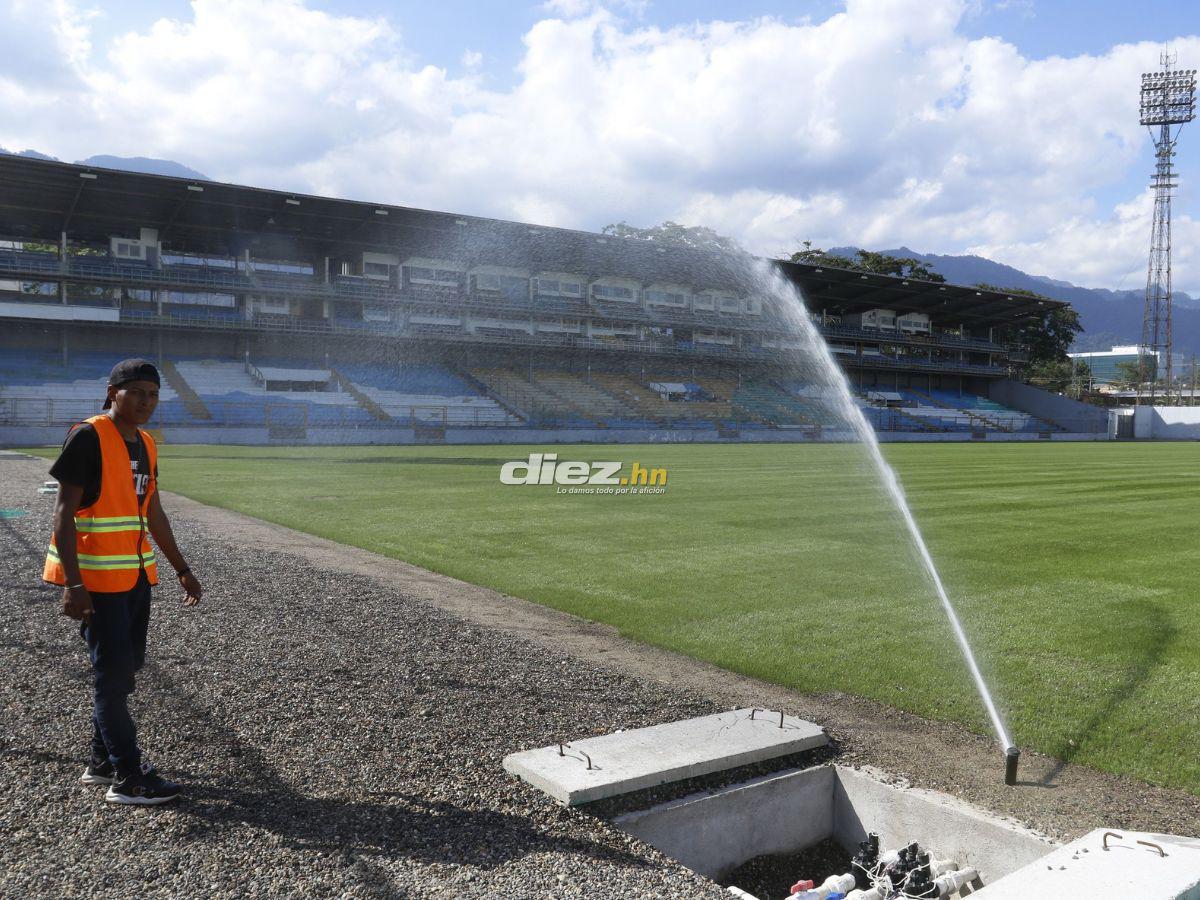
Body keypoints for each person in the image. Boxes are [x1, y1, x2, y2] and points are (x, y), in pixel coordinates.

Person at [43, 358, 203, 806]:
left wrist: (182, 568)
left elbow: (152, 512)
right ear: (114, 392)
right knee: (112, 678)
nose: (146, 402)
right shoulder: (89, 436)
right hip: (96, 583)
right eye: (136, 393)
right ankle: (129, 777)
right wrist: (73, 585)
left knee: (126, 671)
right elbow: (62, 513)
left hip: (133, 577)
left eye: (153, 395)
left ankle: (101, 761)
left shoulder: (147, 444)